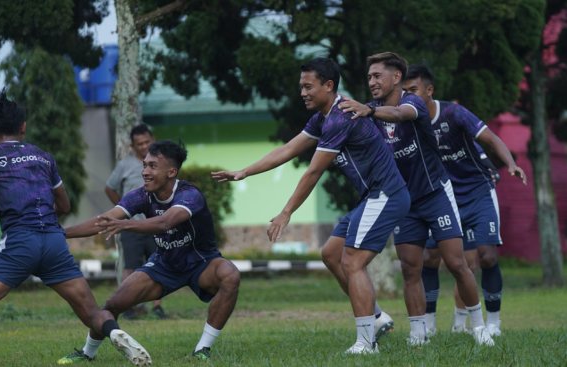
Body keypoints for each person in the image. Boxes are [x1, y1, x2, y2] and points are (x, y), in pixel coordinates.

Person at [0, 89, 141, 367]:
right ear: (23, 127)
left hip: (19, 243)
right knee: (92, 313)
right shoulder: (43, 157)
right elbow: (63, 204)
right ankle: (115, 331)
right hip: (53, 242)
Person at [212, 58, 410, 354]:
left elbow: (313, 172)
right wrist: (244, 171)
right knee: (331, 253)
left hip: (386, 195)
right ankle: (378, 317)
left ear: (328, 86)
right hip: (371, 197)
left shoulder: (339, 116)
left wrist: (286, 212)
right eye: (301, 87)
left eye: (308, 86)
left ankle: (366, 342)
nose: (302, 92)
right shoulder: (323, 117)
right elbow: (289, 149)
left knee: (353, 262)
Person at [336, 52, 494, 346]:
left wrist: (367, 111)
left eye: (377, 76)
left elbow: (398, 115)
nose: (371, 82)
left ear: (396, 78)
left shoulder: (413, 103)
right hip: (405, 202)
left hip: (436, 193)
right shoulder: (368, 111)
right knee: (411, 268)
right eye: (368, 77)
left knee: (457, 263)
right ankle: (419, 333)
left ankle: (479, 326)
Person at [58, 139, 240, 364]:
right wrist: (60, 233)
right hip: (164, 265)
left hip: (201, 263)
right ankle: (87, 353)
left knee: (230, 275)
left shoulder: (190, 195)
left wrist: (124, 224)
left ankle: (202, 349)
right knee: (113, 304)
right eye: (144, 165)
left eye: (153, 166)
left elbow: (165, 222)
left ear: (171, 171)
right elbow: (103, 221)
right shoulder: (141, 196)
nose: (145, 171)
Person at [402, 64, 526, 337]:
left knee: (486, 257)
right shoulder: (408, 122)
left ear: (429, 90)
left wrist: (511, 163)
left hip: (477, 190)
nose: (407, 97)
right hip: (442, 195)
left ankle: (493, 323)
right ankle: (430, 325)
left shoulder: (453, 113)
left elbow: (491, 138)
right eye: (404, 92)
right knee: (429, 257)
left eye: (413, 90)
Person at [105, 124, 167, 320]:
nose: (144, 146)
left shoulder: (161, 163)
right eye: (139, 144)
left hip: (155, 225)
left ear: (153, 139)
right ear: (132, 146)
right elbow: (109, 188)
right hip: (131, 227)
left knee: (160, 265)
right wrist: (124, 210)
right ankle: (126, 307)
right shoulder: (124, 165)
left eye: (147, 142)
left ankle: (157, 307)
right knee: (130, 268)